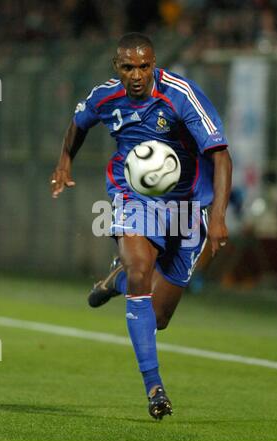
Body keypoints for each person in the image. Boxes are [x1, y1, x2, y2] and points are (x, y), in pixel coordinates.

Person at [50, 32, 232, 420]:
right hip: (133, 197)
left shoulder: (181, 95)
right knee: (139, 271)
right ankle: (155, 388)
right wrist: (64, 162)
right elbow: (77, 124)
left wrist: (216, 216)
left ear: (155, 64)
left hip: (186, 206)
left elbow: (221, 156)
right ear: (116, 67)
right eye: (128, 66)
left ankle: (114, 282)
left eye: (144, 65)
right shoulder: (104, 96)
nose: (136, 74)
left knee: (159, 318)